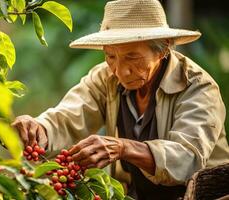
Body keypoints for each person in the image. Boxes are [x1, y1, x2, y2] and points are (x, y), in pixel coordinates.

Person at [12, 0, 229, 199]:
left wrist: (122, 147)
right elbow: (68, 117)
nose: (121, 71)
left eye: (132, 57)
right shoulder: (105, 78)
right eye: (111, 56)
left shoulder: (198, 87)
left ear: (163, 48)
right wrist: (39, 128)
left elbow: (187, 158)